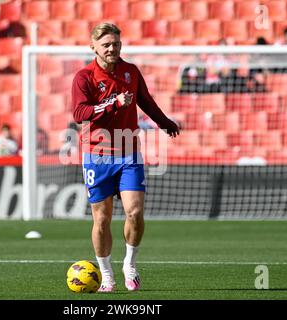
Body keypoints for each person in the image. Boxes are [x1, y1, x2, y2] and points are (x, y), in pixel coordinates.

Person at [71, 23, 180, 292]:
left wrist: (163, 122)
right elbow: (79, 113)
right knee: (102, 219)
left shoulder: (130, 71)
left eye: (116, 44)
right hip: (97, 155)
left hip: (129, 152)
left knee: (135, 212)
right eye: (106, 44)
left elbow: (145, 100)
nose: (112, 49)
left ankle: (129, 264)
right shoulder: (84, 77)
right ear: (93, 47)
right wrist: (112, 104)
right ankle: (106, 275)